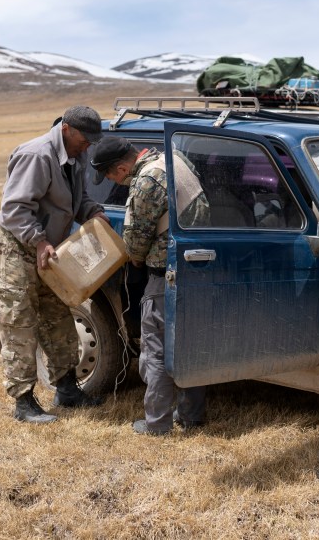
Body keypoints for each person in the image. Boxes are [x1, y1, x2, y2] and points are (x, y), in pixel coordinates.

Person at [0, 105, 108, 424]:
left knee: (58, 318)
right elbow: (15, 209)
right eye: (86, 138)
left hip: (49, 251)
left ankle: (68, 390)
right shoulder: (37, 155)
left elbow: (74, 200)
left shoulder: (76, 154)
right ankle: (24, 402)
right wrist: (38, 240)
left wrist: (92, 212)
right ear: (67, 129)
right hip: (19, 250)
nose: (89, 145)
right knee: (19, 323)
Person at [90, 137, 210, 435]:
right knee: (190, 346)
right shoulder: (176, 159)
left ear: (121, 167)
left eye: (110, 176)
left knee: (156, 350)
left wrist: (135, 260)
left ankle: (157, 423)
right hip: (197, 267)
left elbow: (136, 240)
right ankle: (192, 415)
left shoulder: (146, 180)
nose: (113, 182)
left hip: (165, 274)